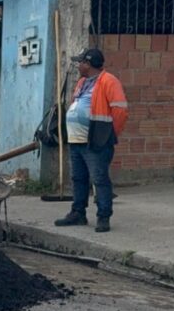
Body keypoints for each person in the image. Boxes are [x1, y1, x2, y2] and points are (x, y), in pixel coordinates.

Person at [55, 48, 129, 233]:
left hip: (96, 141)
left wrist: (108, 134)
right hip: (76, 140)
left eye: (80, 62)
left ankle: (103, 216)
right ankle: (78, 212)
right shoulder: (81, 82)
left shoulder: (109, 81)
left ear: (88, 64)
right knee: (78, 178)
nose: (78, 65)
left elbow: (120, 110)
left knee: (99, 178)